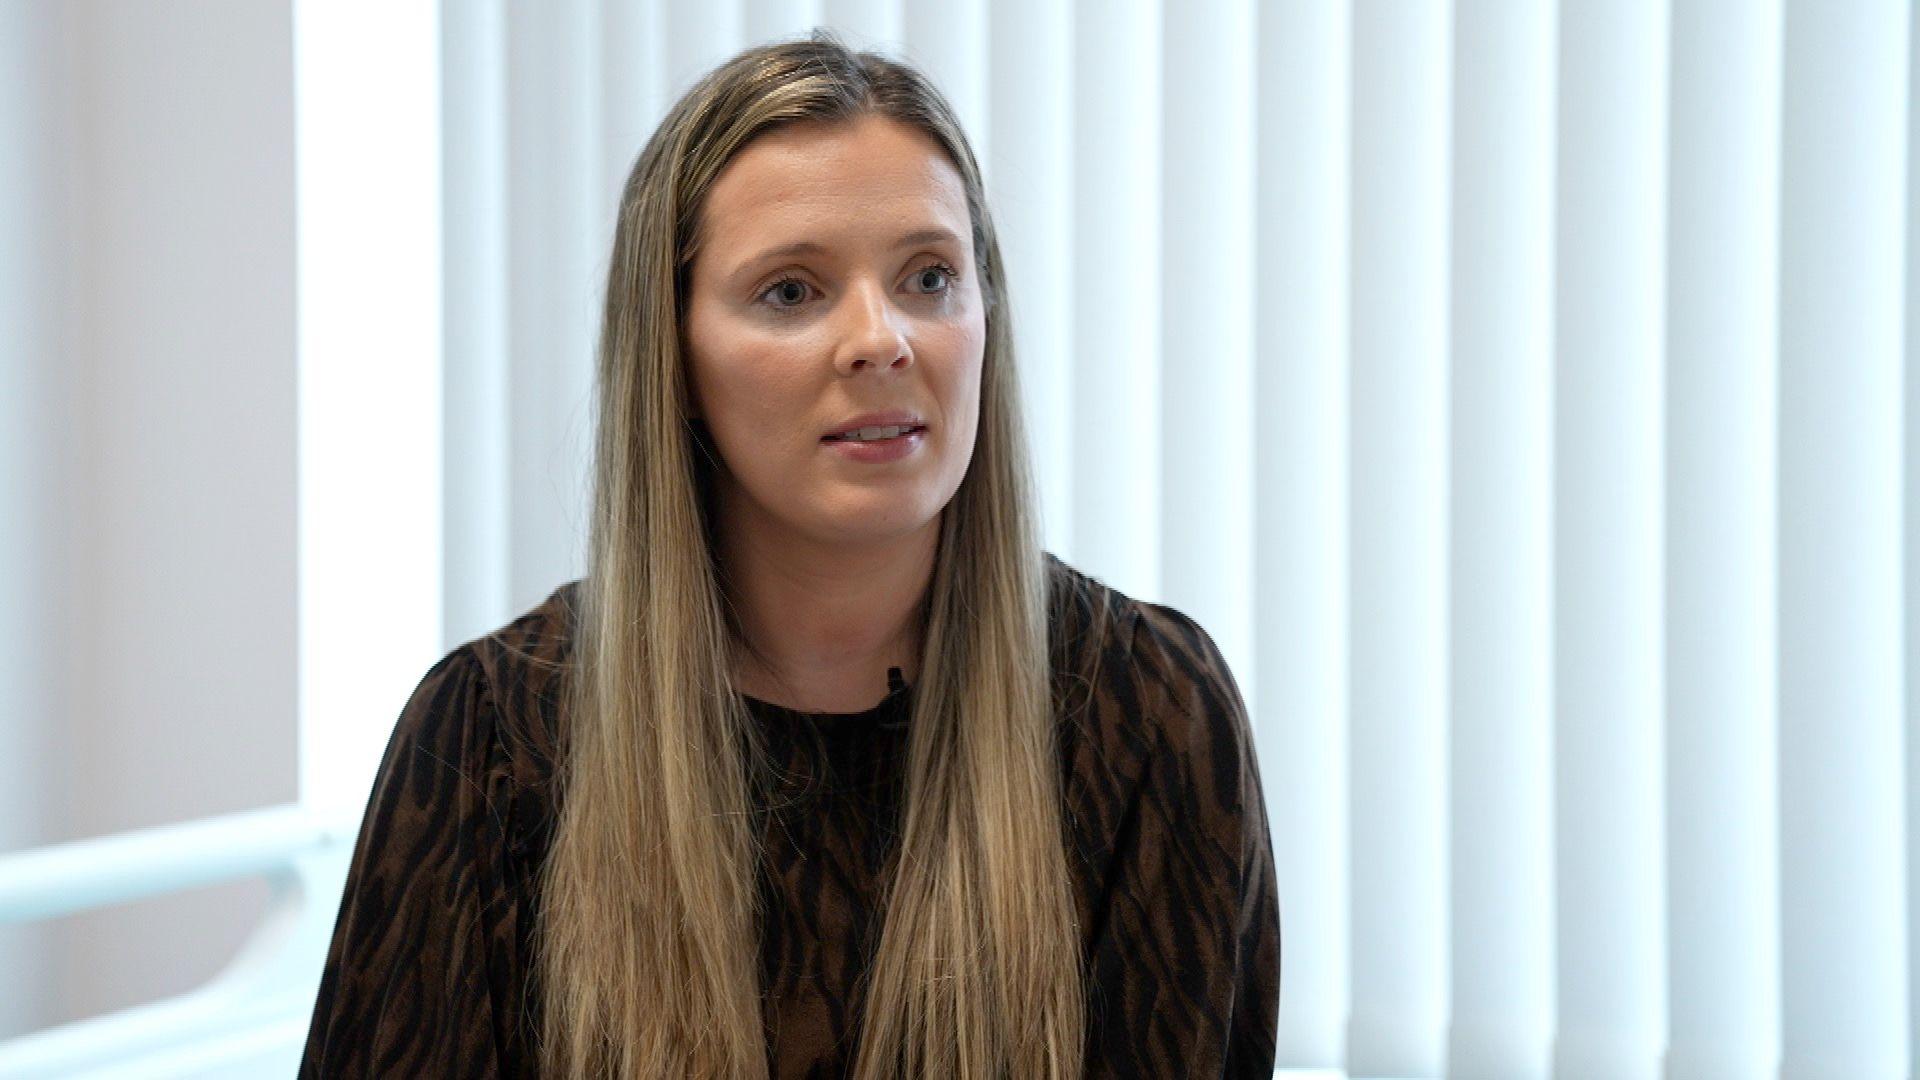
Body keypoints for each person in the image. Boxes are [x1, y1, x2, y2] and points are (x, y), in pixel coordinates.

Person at [299, 31, 1278, 1079]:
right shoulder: (491, 742)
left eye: (930, 277)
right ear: (670, 355)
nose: (881, 338)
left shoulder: (1149, 715)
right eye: (792, 291)